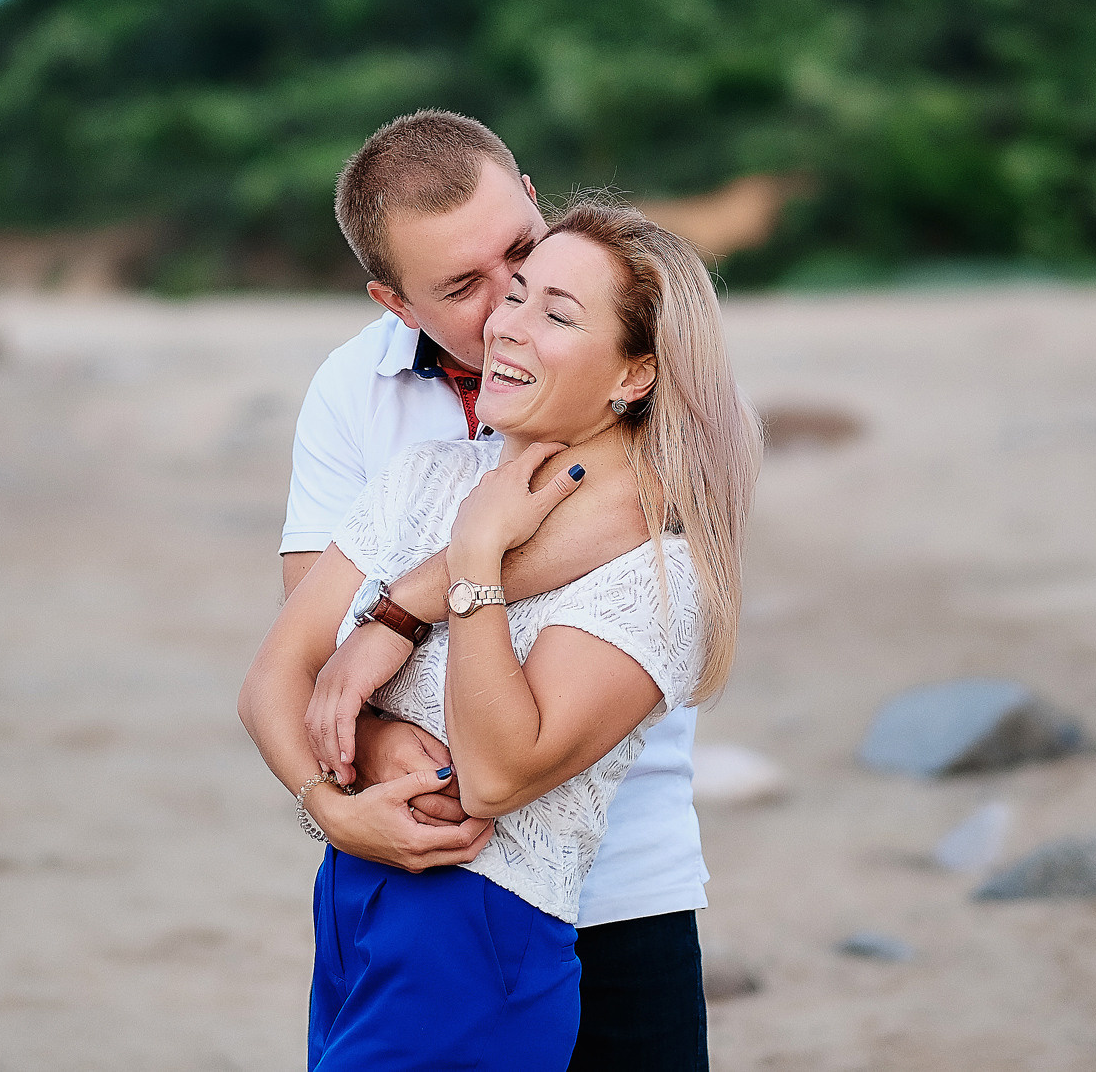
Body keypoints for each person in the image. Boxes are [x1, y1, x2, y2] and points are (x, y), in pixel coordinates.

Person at [241, 185, 761, 1069]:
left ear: (636, 373)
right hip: (361, 894)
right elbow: (285, 676)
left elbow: (494, 773)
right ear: (396, 299)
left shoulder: (665, 541)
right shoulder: (418, 462)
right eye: (489, 293)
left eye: (534, 290)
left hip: (519, 910)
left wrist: (470, 563)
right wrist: (329, 806)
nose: (503, 318)